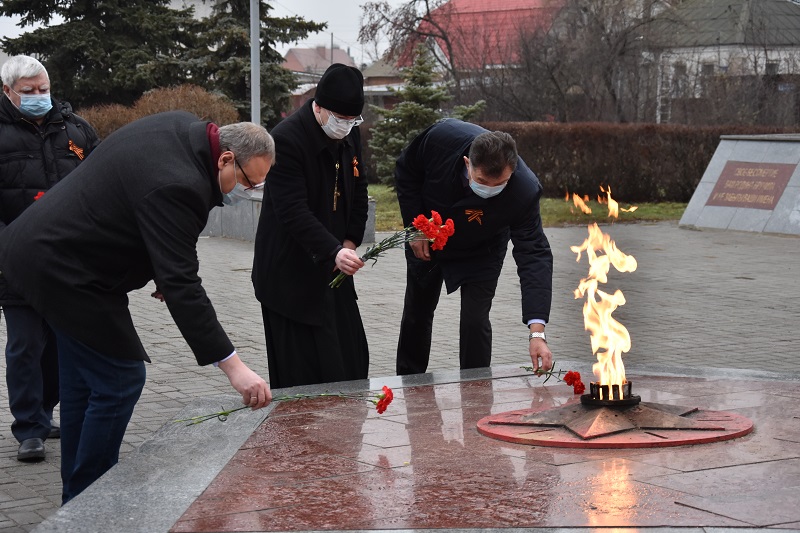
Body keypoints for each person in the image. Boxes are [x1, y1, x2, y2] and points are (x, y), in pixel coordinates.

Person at [0, 110, 274, 504]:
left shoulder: (182, 128)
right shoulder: (179, 183)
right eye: (249, 182)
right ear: (226, 158)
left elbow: (144, 208)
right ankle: (96, 503)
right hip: (63, 270)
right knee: (119, 380)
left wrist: (162, 267)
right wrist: (234, 367)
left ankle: (78, 503)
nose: (248, 192)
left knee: (82, 383)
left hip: (47, 253)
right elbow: (183, 284)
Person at [394, 119, 554, 375]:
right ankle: (409, 382)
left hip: (484, 247)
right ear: (468, 163)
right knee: (417, 311)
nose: (488, 190)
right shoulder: (441, 139)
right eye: (481, 181)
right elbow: (406, 171)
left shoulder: (524, 191)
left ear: (512, 171)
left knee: (474, 320)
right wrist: (416, 228)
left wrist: (537, 332)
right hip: (429, 234)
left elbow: (534, 254)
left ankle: (475, 387)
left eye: (498, 184)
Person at [0, 55, 100, 463]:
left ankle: (46, 411)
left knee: (62, 345)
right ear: (8, 92)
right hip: (16, 261)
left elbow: (101, 184)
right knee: (25, 345)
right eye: (29, 92)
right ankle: (29, 427)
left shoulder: (75, 129)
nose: (40, 97)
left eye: (43, 89)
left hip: (67, 261)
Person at [252, 63, 369, 389]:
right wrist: (333, 250)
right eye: (340, 119)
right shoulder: (286, 140)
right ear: (318, 107)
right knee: (302, 374)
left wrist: (349, 241)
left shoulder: (350, 135)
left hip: (333, 266)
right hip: (290, 273)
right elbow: (293, 211)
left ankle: (344, 433)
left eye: (352, 120)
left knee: (350, 360)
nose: (345, 127)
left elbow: (359, 190)